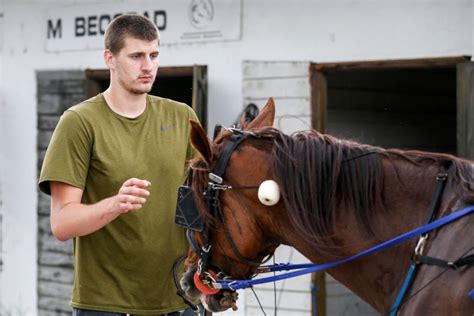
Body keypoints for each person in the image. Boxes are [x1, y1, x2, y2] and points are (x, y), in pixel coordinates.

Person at [39, 14, 199, 315]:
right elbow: (62, 224)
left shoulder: (183, 116)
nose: (148, 66)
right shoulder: (79, 122)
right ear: (109, 58)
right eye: (136, 56)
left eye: (154, 55)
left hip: (180, 299)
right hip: (106, 304)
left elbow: (203, 205)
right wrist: (116, 203)